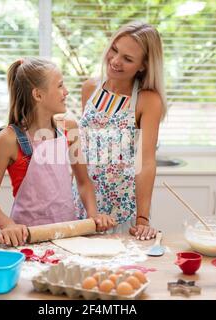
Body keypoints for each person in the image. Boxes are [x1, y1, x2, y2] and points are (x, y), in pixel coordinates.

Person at [0, 57, 116, 247]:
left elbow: (84, 183)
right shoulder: (9, 139)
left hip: (69, 236)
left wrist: (93, 217)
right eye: (60, 86)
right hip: (27, 239)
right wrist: (9, 225)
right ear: (38, 95)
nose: (66, 92)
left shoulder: (69, 129)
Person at [73, 21, 167, 240]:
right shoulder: (90, 88)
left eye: (128, 58)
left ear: (143, 65)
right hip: (84, 204)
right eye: (114, 50)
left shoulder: (148, 100)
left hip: (122, 211)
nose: (115, 61)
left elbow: (146, 162)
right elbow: (81, 150)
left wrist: (142, 219)